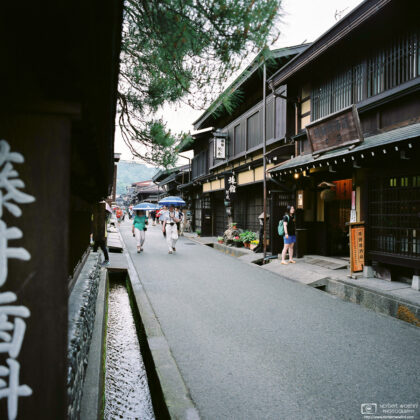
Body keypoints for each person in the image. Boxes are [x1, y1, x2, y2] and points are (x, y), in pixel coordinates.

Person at [91, 202, 110, 266]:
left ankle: (107, 260)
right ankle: (98, 259)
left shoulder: (104, 216)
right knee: (96, 246)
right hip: (98, 233)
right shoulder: (104, 215)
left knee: (102, 247)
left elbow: (93, 221)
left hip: (102, 234)